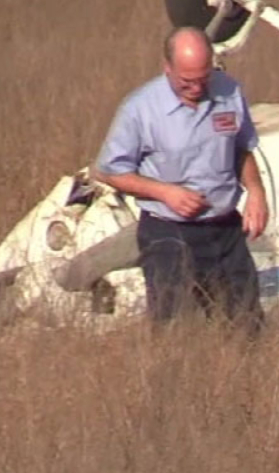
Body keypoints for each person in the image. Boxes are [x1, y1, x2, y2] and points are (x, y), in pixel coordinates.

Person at [93, 26, 269, 334]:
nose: (198, 88)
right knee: (174, 329)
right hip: (169, 232)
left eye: (204, 78)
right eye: (187, 81)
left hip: (225, 229)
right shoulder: (140, 109)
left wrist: (256, 191)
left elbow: (241, 148)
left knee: (246, 325)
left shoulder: (229, 92)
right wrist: (165, 193)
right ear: (168, 68)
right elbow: (108, 170)